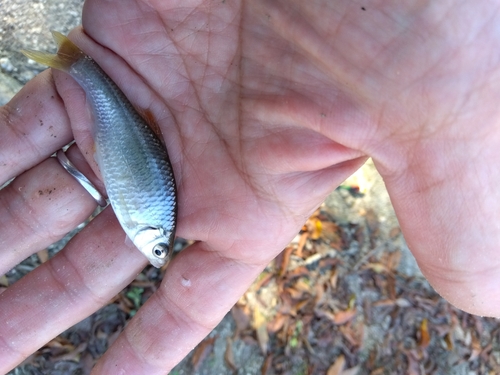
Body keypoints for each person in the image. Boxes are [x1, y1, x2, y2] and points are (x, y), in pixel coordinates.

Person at [1, 0, 499, 372]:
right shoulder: (147, 217)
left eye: (157, 248)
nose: (155, 251)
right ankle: (78, 67)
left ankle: (75, 65)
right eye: (156, 246)